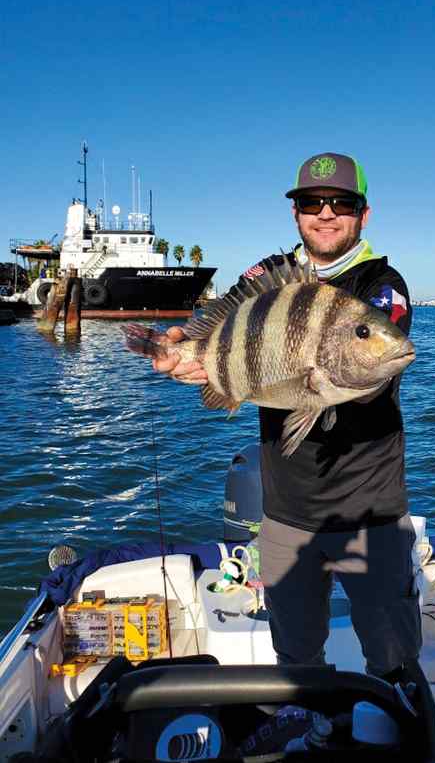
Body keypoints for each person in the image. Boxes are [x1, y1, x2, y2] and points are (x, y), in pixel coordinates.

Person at [154, 152, 421, 682]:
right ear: (296, 213)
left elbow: (376, 361)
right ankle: (314, 731)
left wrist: (334, 356)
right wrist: (183, 351)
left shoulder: (381, 284)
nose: (325, 213)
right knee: (296, 660)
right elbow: (214, 329)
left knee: (394, 663)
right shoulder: (266, 273)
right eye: (311, 202)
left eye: (341, 203)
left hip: (369, 515)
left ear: (363, 215)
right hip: (284, 513)